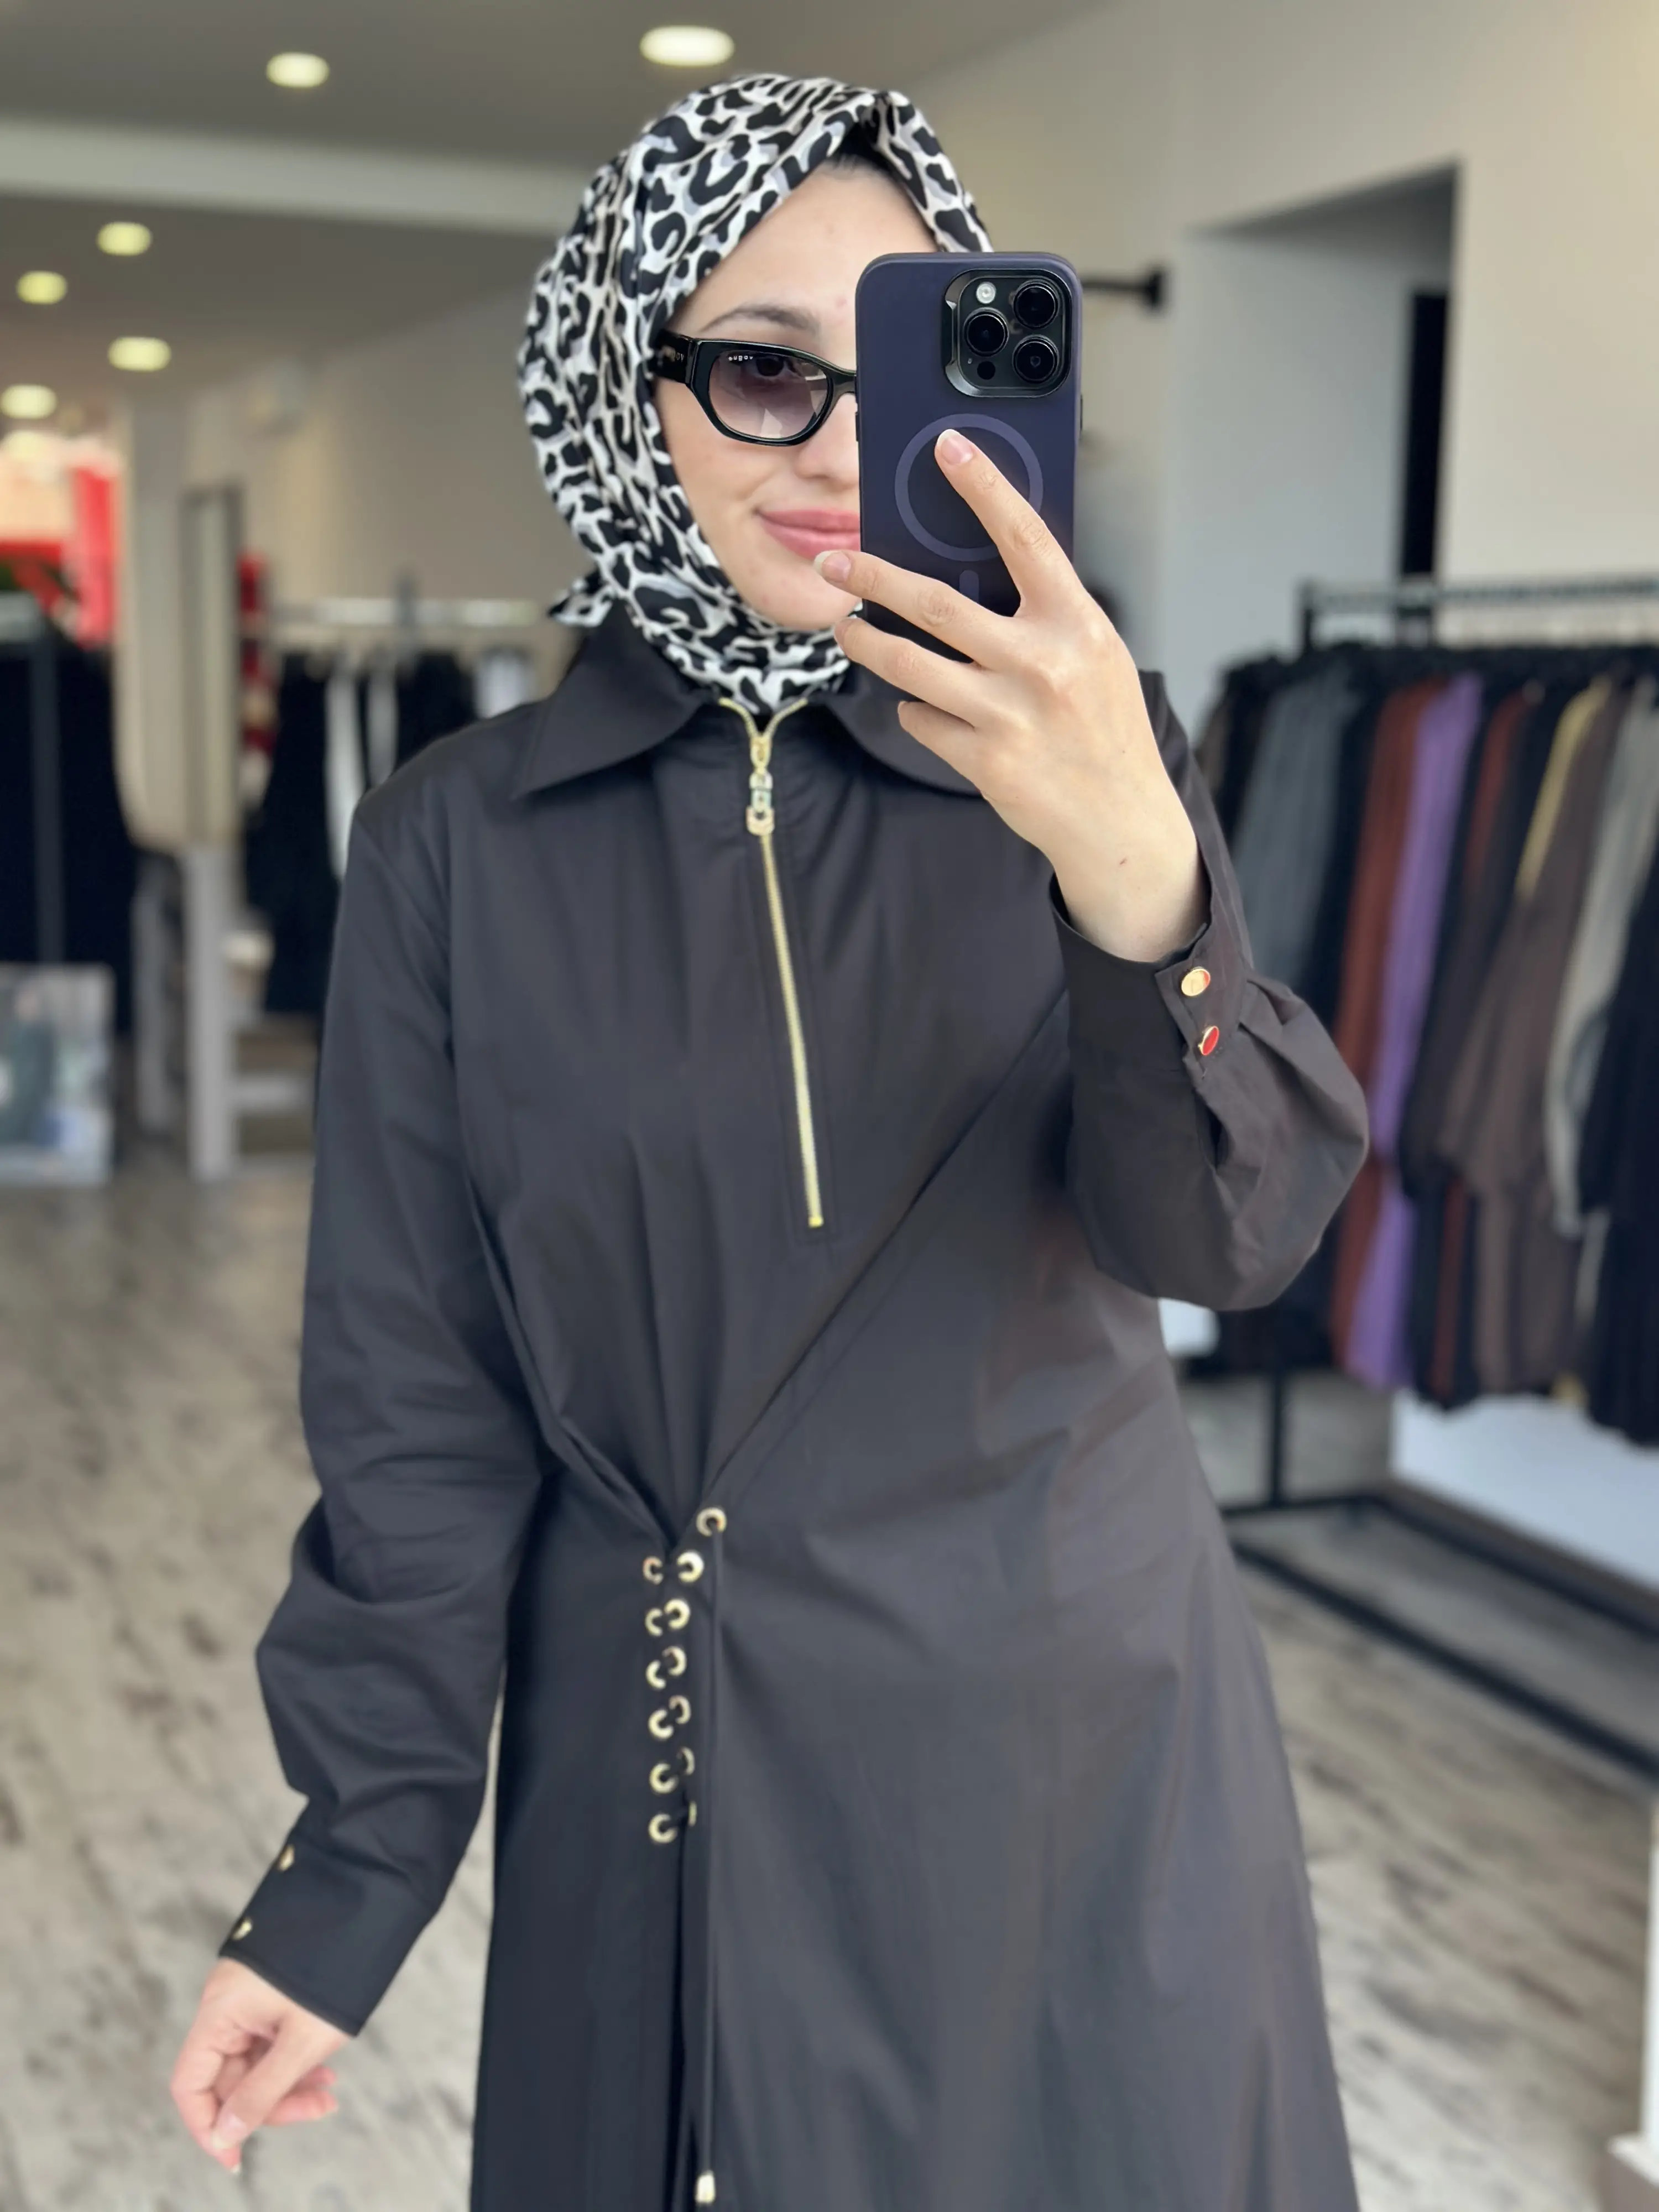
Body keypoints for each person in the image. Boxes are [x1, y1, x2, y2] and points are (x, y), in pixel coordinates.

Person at [170, 75, 1369, 2212]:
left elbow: (1231, 1240)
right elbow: (419, 1401)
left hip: (1084, 1757)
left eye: (903, 366)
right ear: (625, 398)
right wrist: (345, 1880)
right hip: (670, 1763)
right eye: (761, 371)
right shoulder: (459, 842)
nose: (836, 449)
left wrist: (1141, 892)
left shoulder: (1091, 757)